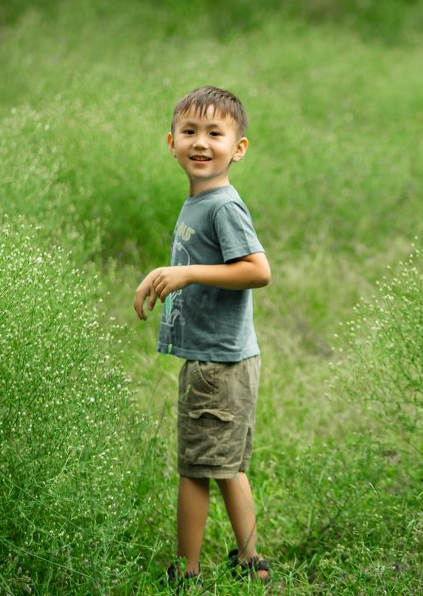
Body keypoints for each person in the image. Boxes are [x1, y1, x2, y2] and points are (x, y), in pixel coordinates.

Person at [133, 86, 271, 587]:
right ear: (171, 142)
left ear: (238, 148)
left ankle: (187, 575)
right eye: (189, 132)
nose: (200, 143)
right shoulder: (199, 201)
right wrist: (163, 275)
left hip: (218, 362)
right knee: (227, 465)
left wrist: (188, 276)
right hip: (218, 357)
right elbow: (193, 263)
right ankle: (251, 562)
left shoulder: (222, 207)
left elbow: (257, 271)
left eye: (215, 133)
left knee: (196, 469)